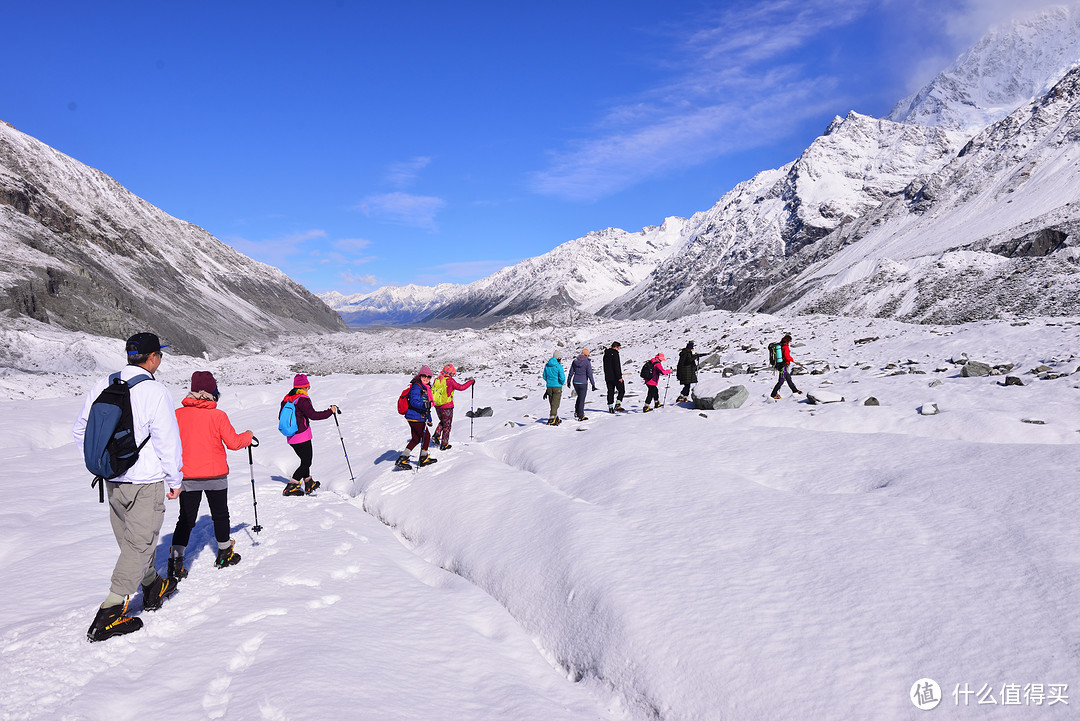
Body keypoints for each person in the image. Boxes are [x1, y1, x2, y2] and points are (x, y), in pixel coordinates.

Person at [73, 332, 183, 642]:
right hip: (145, 482)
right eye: (159, 354)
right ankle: (110, 613)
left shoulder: (105, 384)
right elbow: (167, 441)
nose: (159, 359)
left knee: (130, 542)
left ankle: (151, 587)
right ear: (152, 358)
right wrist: (175, 480)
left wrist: (106, 461)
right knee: (138, 545)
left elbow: (80, 429)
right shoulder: (155, 391)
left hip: (112, 481)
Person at [169, 371, 254, 580]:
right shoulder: (218, 416)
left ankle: (176, 562)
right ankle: (225, 553)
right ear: (213, 391)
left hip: (187, 476)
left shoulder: (177, 415)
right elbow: (234, 443)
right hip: (215, 475)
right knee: (220, 514)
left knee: (185, 519)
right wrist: (248, 436)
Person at [279, 374, 338, 496]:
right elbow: (313, 415)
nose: (308, 389)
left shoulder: (287, 399)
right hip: (302, 436)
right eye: (308, 387)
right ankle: (292, 485)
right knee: (306, 462)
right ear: (304, 387)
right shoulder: (302, 400)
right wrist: (330, 412)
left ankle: (308, 482)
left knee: (304, 460)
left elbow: (281, 417)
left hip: (291, 436)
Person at [396, 365, 437, 469]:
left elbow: (427, 406)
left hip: (416, 416)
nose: (426, 378)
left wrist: (429, 419)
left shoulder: (425, 388)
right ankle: (423, 458)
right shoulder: (416, 386)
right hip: (415, 416)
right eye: (424, 375)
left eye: (429, 377)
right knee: (426, 437)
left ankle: (403, 458)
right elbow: (414, 401)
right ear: (420, 375)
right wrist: (424, 405)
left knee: (415, 439)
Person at [432, 364, 475, 450]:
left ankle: (436, 435)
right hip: (447, 406)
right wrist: (471, 382)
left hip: (437, 405)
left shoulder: (437, 379)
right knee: (447, 425)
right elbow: (461, 387)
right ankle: (444, 444)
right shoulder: (450, 381)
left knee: (443, 421)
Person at [770, 334, 804, 400]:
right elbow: (786, 356)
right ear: (788, 340)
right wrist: (791, 359)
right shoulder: (785, 346)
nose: (790, 342)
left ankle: (795, 390)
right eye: (790, 340)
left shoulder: (781, 345)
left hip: (780, 364)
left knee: (788, 378)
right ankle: (773, 394)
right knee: (781, 381)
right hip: (783, 365)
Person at [567, 348, 597, 421]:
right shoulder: (587, 362)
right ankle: (581, 415)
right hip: (583, 382)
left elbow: (571, 372)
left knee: (580, 397)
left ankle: (577, 412)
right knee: (582, 398)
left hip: (575, 382)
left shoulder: (575, 361)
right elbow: (590, 374)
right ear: (586, 355)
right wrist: (593, 384)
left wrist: (568, 381)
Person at [542, 352, 566, 425]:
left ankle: (555, 416)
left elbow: (544, 376)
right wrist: (561, 383)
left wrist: (549, 382)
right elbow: (562, 378)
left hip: (549, 386)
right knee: (555, 404)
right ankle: (552, 418)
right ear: (558, 358)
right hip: (557, 386)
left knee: (552, 403)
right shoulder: (558, 366)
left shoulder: (547, 365)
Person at [603, 342, 626, 413]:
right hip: (615, 377)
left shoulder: (605, 354)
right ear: (616, 347)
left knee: (610, 391)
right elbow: (616, 366)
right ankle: (617, 405)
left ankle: (610, 407)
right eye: (619, 348)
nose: (619, 349)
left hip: (608, 377)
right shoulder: (615, 354)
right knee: (621, 390)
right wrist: (619, 376)